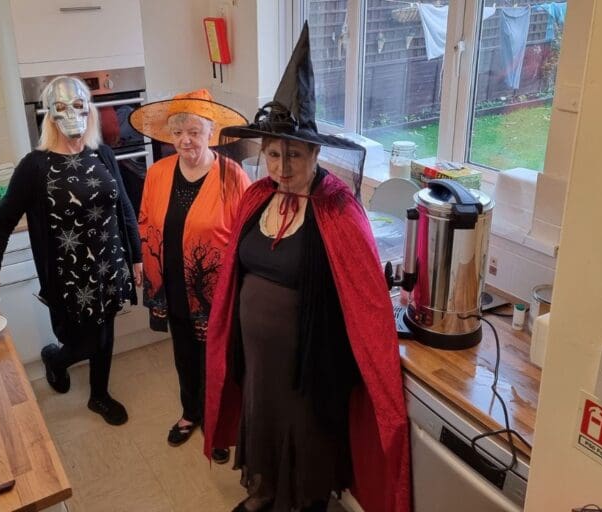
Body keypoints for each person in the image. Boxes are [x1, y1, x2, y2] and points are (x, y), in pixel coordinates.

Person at [203, 23, 411, 512]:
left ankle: (299, 503)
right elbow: (237, 271)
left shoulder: (338, 209)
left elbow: (364, 303)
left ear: (316, 152)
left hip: (308, 367)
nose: (281, 167)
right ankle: (264, 492)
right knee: (264, 420)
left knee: (303, 435)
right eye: (273, 154)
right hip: (259, 360)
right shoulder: (258, 197)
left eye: (293, 155)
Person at [0, 76, 142, 426]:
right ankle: (56, 358)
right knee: (82, 341)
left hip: (110, 265)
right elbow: (2, 220)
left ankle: (99, 395)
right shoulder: (34, 167)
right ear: (49, 115)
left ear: (90, 110)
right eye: (63, 107)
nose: (73, 115)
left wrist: (137, 256)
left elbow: (123, 208)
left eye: (79, 106)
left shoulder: (103, 154)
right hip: (69, 276)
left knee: (106, 332)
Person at [129, 89, 251, 463]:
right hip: (173, 285)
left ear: (211, 133)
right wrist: (144, 264)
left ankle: (218, 425)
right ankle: (191, 411)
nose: (185, 140)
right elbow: (146, 221)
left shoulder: (233, 177)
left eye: (195, 131)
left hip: (215, 290)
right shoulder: (158, 173)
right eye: (179, 131)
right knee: (184, 353)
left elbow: (246, 238)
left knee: (217, 360)